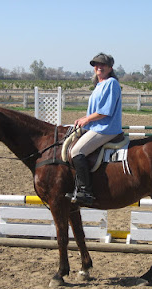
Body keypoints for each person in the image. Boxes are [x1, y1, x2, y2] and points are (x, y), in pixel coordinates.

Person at [66, 53, 123, 206]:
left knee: (77, 151)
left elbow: (105, 111)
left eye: (102, 65)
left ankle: (86, 191)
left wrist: (86, 119)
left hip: (106, 128)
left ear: (110, 68)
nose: (99, 67)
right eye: (96, 65)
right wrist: (84, 120)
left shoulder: (111, 83)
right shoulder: (99, 85)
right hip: (95, 126)